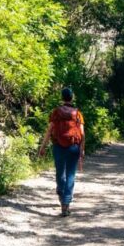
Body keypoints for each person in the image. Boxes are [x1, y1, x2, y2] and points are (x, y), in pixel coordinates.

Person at [37, 87, 85, 216]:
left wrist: (43, 147)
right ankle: (66, 204)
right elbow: (82, 133)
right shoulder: (77, 113)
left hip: (58, 146)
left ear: (62, 98)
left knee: (60, 173)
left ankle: (60, 192)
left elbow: (49, 130)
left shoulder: (56, 112)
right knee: (70, 175)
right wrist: (82, 149)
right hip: (73, 147)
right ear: (72, 98)